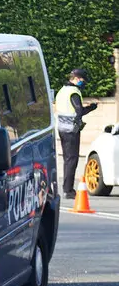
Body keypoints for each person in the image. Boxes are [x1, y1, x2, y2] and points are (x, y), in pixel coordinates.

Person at [55, 68, 98, 199]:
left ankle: (66, 188)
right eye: (83, 80)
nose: (83, 83)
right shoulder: (74, 92)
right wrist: (91, 108)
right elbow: (79, 111)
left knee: (67, 159)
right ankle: (68, 190)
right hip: (71, 131)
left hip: (62, 129)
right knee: (72, 160)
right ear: (77, 79)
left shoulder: (62, 91)